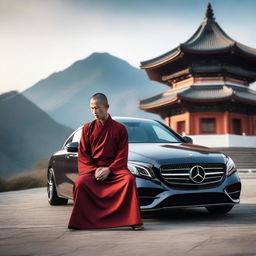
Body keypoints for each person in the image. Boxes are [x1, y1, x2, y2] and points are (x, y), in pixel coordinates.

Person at [68, 93, 144, 230]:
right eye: (92, 108)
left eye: (98, 108)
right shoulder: (87, 129)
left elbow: (122, 154)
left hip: (115, 169)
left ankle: (133, 220)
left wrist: (109, 169)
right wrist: (94, 169)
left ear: (107, 107)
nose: (94, 112)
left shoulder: (120, 129)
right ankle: (81, 221)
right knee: (81, 183)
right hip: (93, 169)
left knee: (128, 180)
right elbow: (83, 154)